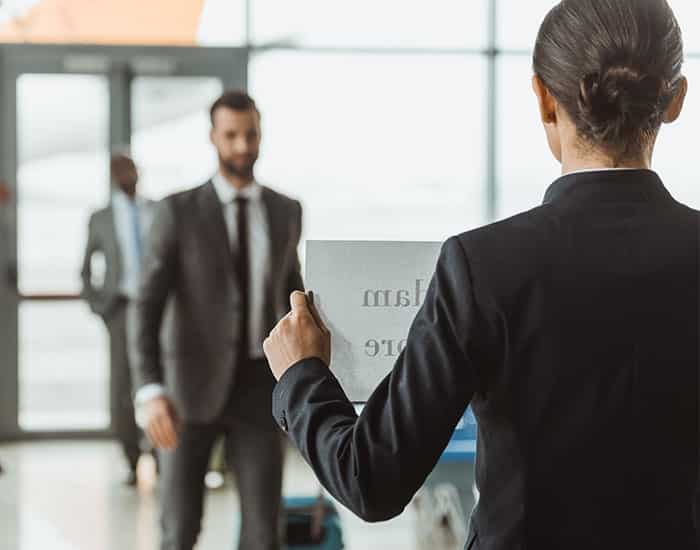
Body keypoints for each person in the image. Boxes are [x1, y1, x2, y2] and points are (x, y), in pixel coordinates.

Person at [263, 1, 698, 549]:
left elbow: (370, 479)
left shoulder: (484, 264)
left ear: (542, 96)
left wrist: (301, 376)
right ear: (676, 99)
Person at [131, 90, 304, 550]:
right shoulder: (177, 212)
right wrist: (151, 390)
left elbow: (293, 298)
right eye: (231, 135)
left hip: (261, 390)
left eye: (250, 134)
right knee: (180, 530)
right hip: (187, 391)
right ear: (213, 138)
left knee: (265, 534)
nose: (242, 145)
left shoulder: (286, 212)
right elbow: (146, 305)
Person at [81, 154, 155, 486]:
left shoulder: (155, 209)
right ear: (113, 176)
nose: (129, 175)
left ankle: (162, 453)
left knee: (159, 380)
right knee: (122, 387)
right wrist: (101, 307)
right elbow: (85, 271)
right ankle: (131, 457)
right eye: (121, 171)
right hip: (121, 308)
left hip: (155, 306)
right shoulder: (100, 218)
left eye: (132, 168)